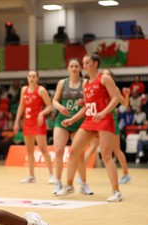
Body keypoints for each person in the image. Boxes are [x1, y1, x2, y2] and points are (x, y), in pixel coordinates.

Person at [56, 54, 122, 202]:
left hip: (104, 119)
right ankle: (69, 185)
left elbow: (116, 97)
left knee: (106, 155)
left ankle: (116, 191)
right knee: (74, 151)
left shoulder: (104, 78)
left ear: (96, 63)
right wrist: (72, 119)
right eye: (83, 63)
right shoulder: (86, 84)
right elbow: (87, 106)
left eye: (87, 63)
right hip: (90, 120)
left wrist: (104, 112)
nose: (84, 66)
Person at [84, 69, 131, 184]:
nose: (105, 76)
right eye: (103, 74)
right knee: (92, 148)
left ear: (111, 77)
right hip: (96, 120)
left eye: (108, 74)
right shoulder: (96, 86)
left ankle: (125, 174)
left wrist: (127, 96)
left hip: (110, 120)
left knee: (116, 149)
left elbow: (124, 105)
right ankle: (81, 175)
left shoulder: (114, 89)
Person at [52, 58, 91, 194]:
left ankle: (83, 184)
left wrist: (74, 119)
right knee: (58, 151)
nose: (74, 68)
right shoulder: (62, 83)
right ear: (68, 68)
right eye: (71, 66)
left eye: (76, 66)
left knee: (79, 154)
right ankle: (57, 182)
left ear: (79, 68)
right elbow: (54, 101)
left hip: (79, 121)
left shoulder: (85, 83)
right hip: (62, 121)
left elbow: (87, 105)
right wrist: (60, 107)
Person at [13, 71, 54, 184]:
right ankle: (31, 176)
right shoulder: (23, 90)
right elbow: (21, 106)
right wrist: (16, 122)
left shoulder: (41, 90)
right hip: (27, 123)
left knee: (43, 148)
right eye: (30, 76)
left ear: (37, 78)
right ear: (27, 78)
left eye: (34, 76)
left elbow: (50, 106)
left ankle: (52, 175)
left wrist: (42, 113)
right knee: (29, 150)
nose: (31, 78)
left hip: (38, 123)